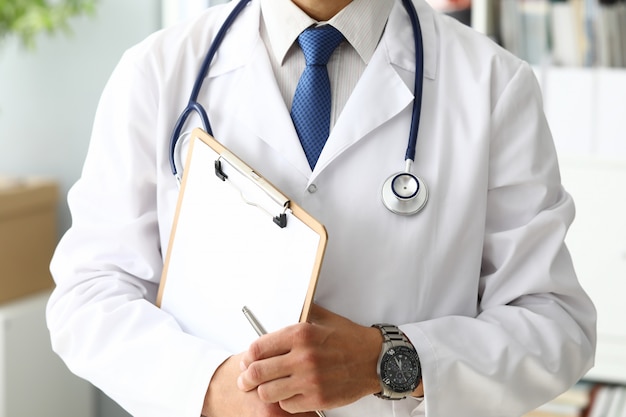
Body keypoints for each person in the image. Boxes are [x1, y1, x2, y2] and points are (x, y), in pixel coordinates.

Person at [46, 0, 597, 416]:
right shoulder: (157, 72)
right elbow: (89, 295)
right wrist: (212, 387)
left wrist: (386, 360)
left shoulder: (492, 85)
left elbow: (556, 326)